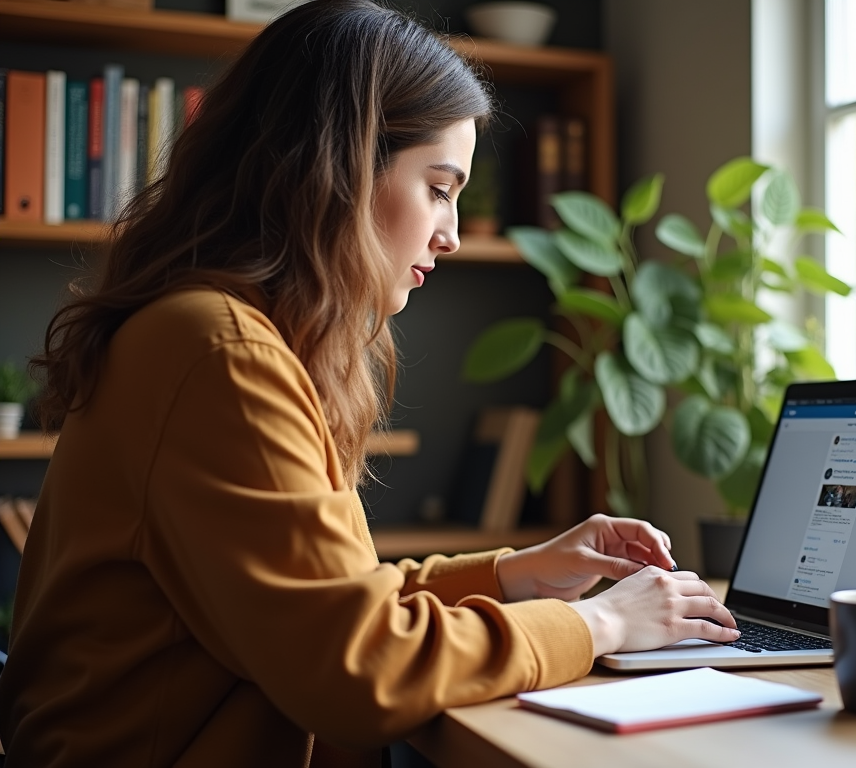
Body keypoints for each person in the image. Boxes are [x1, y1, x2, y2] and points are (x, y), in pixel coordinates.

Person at [0, 2, 739, 765]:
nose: (450, 233)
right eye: (439, 187)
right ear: (338, 166)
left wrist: (518, 571)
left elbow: (331, 598)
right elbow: (356, 663)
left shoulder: (214, 333)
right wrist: (603, 625)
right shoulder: (218, 352)